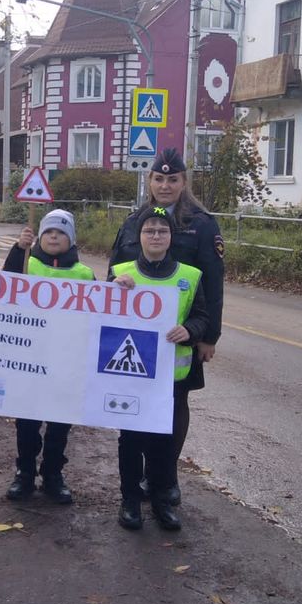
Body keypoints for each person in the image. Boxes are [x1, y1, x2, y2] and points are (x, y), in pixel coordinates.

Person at [108, 147, 224, 506]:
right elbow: (113, 271)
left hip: (180, 338)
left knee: (175, 406)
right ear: (150, 180)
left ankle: (165, 477)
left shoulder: (202, 224)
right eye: (159, 178)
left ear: (184, 182)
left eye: (173, 179)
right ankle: (139, 477)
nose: (165, 185)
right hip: (135, 337)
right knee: (135, 408)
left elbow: (214, 283)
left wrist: (208, 336)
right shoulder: (134, 221)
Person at [111, 206, 208, 531]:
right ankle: (129, 501)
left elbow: (202, 316)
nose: (155, 236)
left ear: (171, 238)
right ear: (138, 237)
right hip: (131, 375)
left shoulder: (190, 276)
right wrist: (113, 286)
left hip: (171, 378)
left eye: (162, 231)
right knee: (131, 440)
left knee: (164, 442)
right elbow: (101, 316)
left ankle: (162, 501)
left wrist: (191, 331)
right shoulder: (122, 272)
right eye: (149, 230)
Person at [2, 208, 95, 505]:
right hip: (29, 360)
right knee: (27, 423)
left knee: (59, 424)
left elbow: (101, 311)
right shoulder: (29, 264)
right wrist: (19, 249)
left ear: (72, 240)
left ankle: (53, 474)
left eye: (61, 232)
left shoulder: (84, 274)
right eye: (49, 232)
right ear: (40, 237)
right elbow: (6, 283)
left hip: (66, 362)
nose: (54, 236)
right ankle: (25, 473)